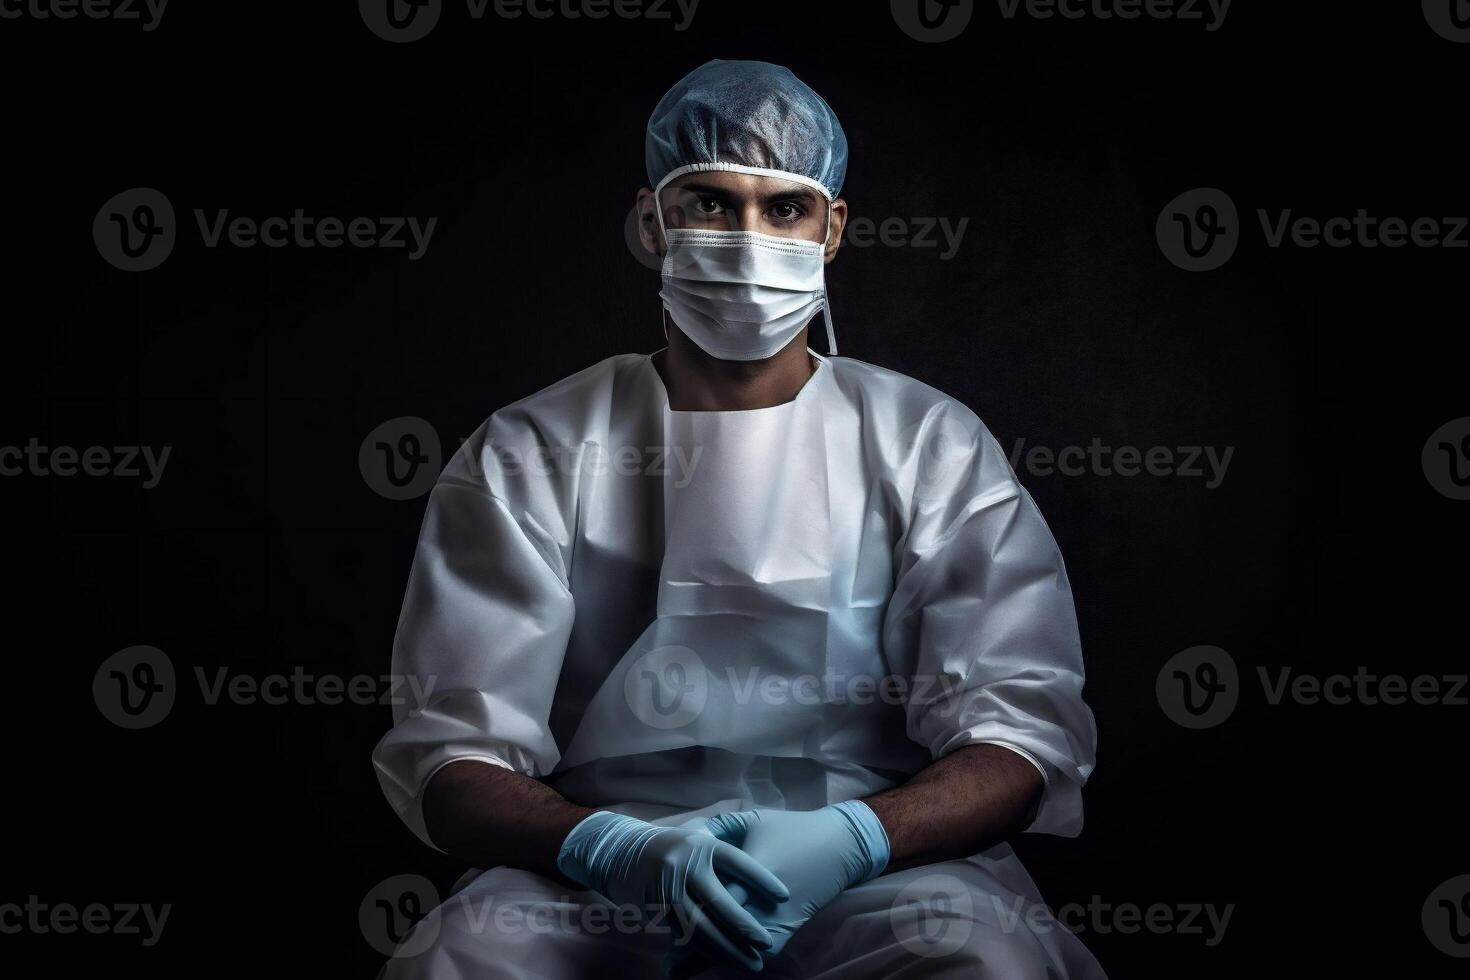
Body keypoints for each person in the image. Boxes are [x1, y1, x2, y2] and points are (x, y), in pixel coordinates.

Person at [374, 59, 1104, 979]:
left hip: (877, 872)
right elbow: (450, 757)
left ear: (832, 229)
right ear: (652, 222)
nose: (749, 238)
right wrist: (613, 850)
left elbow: (1021, 732)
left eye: (784, 208)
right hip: (589, 875)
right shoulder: (533, 452)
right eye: (709, 204)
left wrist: (851, 838)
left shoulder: (928, 445)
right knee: (455, 958)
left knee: (985, 959)